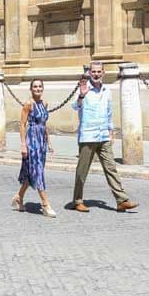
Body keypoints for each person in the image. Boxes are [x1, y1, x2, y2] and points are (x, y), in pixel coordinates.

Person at [71, 61, 138, 213]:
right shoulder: (83, 88)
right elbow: (75, 106)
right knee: (82, 171)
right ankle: (77, 200)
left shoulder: (107, 90)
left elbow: (109, 111)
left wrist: (110, 130)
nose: (96, 74)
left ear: (103, 73)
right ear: (89, 73)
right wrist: (81, 95)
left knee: (111, 168)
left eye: (98, 71)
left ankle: (121, 200)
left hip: (103, 135)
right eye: (93, 72)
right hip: (88, 135)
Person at [12, 79, 57, 218]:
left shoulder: (45, 103)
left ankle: (18, 198)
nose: (37, 89)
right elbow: (22, 125)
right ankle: (45, 204)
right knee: (37, 171)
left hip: (41, 141)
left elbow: (44, 124)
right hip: (31, 141)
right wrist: (23, 145)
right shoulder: (28, 104)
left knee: (33, 172)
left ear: (43, 88)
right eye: (35, 87)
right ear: (31, 89)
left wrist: (49, 142)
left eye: (40, 86)